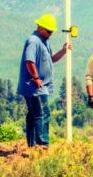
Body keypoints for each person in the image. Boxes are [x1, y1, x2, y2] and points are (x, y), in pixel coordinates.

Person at [17, 14, 72, 148]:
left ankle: (32, 144)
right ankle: (42, 145)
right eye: (48, 31)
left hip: (39, 86)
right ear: (40, 28)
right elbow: (29, 61)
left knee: (33, 114)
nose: (50, 34)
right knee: (42, 114)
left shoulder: (44, 41)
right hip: (34, 87)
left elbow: (51, 59)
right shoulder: (34, 41)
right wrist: (36, 78)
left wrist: (63, 51)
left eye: (52, 32)